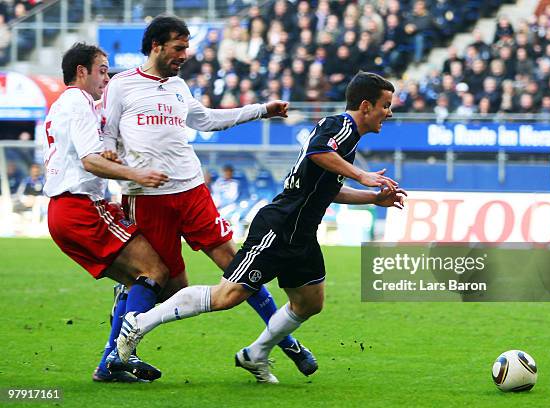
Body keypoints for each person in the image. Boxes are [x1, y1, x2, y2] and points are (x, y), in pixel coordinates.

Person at [115, 72, 407, 383]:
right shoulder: (341, 127)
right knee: (227, 296)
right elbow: (318, 152)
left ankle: (255, 354)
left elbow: (327, 188)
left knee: (310, 302)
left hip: (301, 234)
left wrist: (373, 199)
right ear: (366, 105)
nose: (389, 113)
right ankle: (141, 322)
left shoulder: (347, 139)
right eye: (386, 105)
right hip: (279, 227)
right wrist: (363, 176)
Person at [101, 15, 317, 376]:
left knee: (237, 264)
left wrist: (261, 110)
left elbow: (208, 120)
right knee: (160, 282)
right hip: (147, 197)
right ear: (156, 45)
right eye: (178, 47)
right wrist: (110, 154)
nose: (185, 54)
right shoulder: (121, 86)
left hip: (191, 189)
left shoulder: (179, 87)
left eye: (187, 47)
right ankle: (117, 352)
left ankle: (283, 340)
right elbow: (106, 134)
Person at [43, 42, 172, 382]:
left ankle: (108, 364)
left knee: (136, 279)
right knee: (156, 271)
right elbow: (88, 160)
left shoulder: (64, 104)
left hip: (63, 210)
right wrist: (136, 174)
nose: (106, 77)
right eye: (102, 70)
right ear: (81, 72)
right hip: (80, 206)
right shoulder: (78, 101)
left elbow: (82, 154)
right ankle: (117, 354)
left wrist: (111, 157)